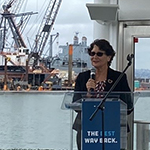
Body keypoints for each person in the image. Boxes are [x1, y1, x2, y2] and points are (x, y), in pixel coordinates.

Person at [72, 39, 133, 150]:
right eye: (92, 53)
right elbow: (75, 104)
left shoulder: (118, 78)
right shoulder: (83, 77)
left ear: (108, 57)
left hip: (113, 128)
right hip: (87, 128)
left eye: (99, 54)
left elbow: (128, 106)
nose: (95, 57)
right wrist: (88, 95)